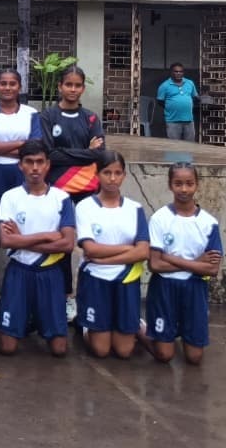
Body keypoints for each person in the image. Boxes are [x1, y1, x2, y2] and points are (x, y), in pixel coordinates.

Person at [0, 140, 76, 357]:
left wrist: (23, 238)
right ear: (20, 165)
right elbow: (7, 241)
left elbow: (68, 244)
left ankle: (35, 320)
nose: (35, 168)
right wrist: (47, 235)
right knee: (7, 348)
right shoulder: (10, 197)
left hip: (50, 272)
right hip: (19, 271)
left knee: (59, 350)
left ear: (48, 165)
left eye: (40, 162)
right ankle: (15, 321)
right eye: (29, 162)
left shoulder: (62, 198)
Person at [39, 64, 105, 322]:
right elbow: (49, 154)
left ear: (83, 88)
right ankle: (66, 296)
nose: (73, 89)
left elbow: (100, 153)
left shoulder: (90, 118)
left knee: (89, 243)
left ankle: (89, 297)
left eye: (78, 85)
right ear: (60, 87)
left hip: (88, 189)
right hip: (58, 190)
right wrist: (85, 153)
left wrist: (82, 154)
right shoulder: (47, 117)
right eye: (69, 85)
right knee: (62, 245)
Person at [0, 67, 42, 319]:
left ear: (19, 86)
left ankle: (23, 293)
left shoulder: (31, 113)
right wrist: (19, 145)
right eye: (3, 83)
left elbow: (35, 149)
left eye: (13, 83)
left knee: (24, 230)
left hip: (23, 176)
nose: (8, 88)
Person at [140, 163, 222, 365]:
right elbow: (155, 266)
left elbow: (212, 269)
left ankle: (172, 335)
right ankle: (138, 327)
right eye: (178, 184)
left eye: (189, 184)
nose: (184, 189)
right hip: (164, 288)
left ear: (197, 185)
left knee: (194, 358)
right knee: (164, 356)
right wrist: (195, 262)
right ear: (170, 185)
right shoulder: (160, 219)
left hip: (194, 289)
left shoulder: (209, 223)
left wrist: (170, 258)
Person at [75, 150, 150, 360]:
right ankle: (84, 324)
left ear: (124, 175)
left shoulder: (135, 209)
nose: (113, 178)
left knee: (124, 351)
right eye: (107, 172)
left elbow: (143, 251)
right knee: (101, 350)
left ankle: (135, 323)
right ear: (97, 174)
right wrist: (128, 249)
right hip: (96, 279)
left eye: (118, 173)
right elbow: (90, 249)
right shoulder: (85, 207)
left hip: (125, 279)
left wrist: (105, 257)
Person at [156, 63, 199, 142]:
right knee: (174, 146)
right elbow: (160, 101)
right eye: (176, 71)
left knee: (190, 145)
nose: (179, 73)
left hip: (189, 121)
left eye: (181, 71)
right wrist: (171, 108)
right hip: (173, 121)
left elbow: (195, 97)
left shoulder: (190, 83)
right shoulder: (164, 86)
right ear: (171, 72)